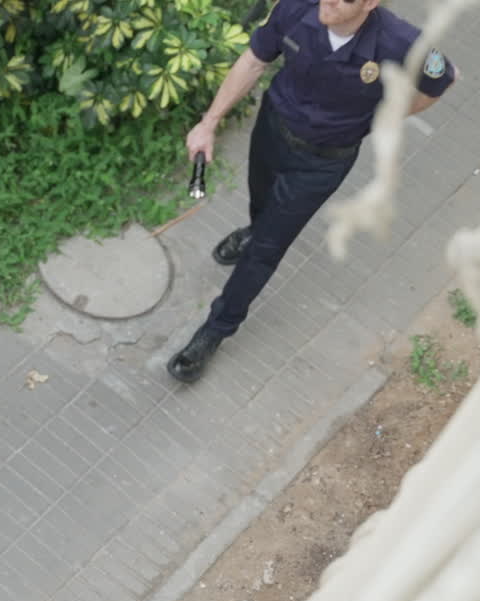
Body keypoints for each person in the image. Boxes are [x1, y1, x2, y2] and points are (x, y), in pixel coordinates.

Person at [167, 0, 456, 383]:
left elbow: (441, 79)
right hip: (272, 129)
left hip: (320, 163)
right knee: (260, 201)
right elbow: (254, 60)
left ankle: (217, 329)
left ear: (370, 4)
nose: (330, 1)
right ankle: (254, 229)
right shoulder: (297, 7)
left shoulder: (400, 43)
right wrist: (209, 123)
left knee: (266, 250)